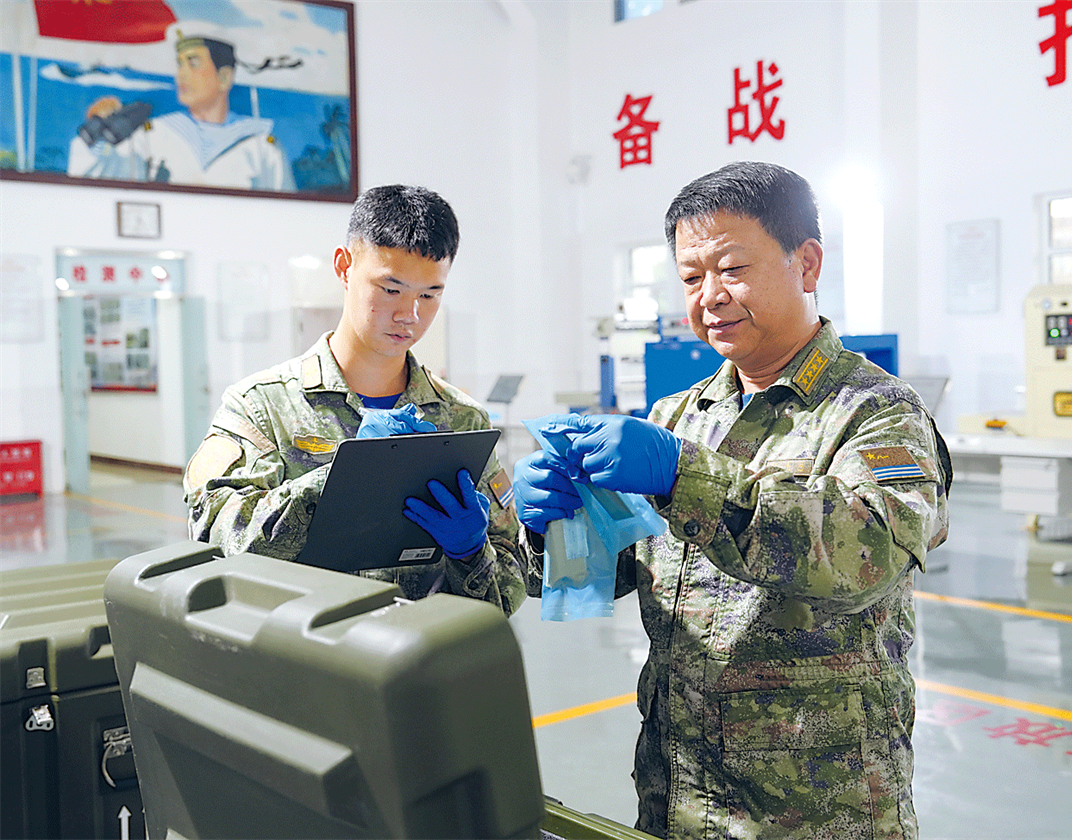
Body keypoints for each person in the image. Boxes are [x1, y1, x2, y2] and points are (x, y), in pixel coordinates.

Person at [513, 161, 951, 838]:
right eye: (692, 278)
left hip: (815, 812)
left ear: (807, 264)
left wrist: (680, 475)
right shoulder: (678, 415)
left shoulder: (876, 412)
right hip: (678, 797)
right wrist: (555, 524)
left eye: (733, 269)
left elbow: (865, 556)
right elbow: (605, 573)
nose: (710, 296)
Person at [184, 184, 526, 616]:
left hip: (423, 651)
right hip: (305, 649)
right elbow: (215, 541)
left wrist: (470, 553)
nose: (409, 315)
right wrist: (336, 484)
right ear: (345, 267)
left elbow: (508, 591)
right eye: (391, 289)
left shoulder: (461, 420)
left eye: (429, 295)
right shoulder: (262, 407)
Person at [67, 31, 294, 191]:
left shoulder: (262, 144)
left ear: (224, 77)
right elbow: (100, 179)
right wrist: (98, 133)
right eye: (179, 64)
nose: (181, 75)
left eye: (193, 63)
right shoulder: (154, 133)